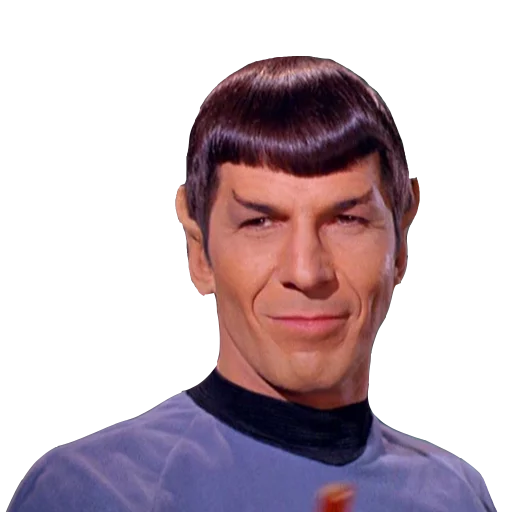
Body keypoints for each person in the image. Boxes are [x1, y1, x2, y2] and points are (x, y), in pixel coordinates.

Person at [7, 56, 497, 512]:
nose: (306, 272)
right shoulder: (91, 493)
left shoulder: (456, 494)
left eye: (346, 219)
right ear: (199, 251)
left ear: (400, 247)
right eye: (260, 223)